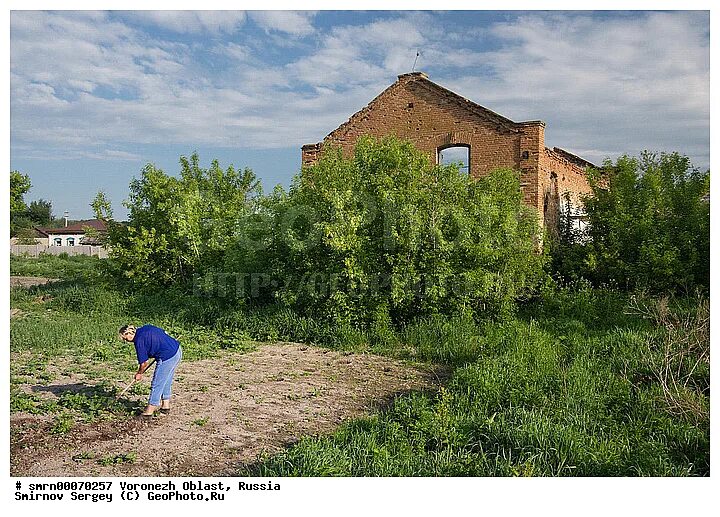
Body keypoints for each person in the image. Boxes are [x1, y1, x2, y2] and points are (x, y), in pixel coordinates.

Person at [119, 324, 183, 417]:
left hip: (167, 356)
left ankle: (149, 412)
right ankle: (165, 407)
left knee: (157, 383)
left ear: (129, 333)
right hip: (177, 350)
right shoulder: (146, 327)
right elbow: (164, 332)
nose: (126, 341)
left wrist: (139, 373)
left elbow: (144, 363)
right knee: (166, 380)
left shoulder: (139, 341)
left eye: (125, 338)